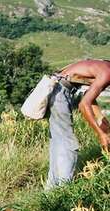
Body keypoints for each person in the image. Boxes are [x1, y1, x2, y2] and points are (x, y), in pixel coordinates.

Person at [45, 59, 110, 189]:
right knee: (68, 145)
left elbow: (88, 96)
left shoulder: (104, 67)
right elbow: (84, 104)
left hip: (56, 90)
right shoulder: (107, 73)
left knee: (58, 143)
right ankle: (63, 189)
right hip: (60, 92)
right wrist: (101, 134)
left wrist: (103, 123)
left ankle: (52, 189)